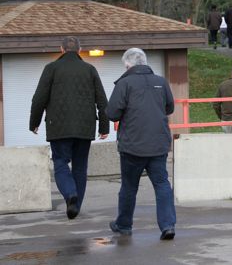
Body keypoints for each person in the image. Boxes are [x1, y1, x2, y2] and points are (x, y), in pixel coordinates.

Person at [29, 36, 109, 220]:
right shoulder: (90, 69)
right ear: (80, 50)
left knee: (60, 162)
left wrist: (34, 122)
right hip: (84, 127)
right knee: (80, 167)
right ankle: (75, 206)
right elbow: (102, 100)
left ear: (61, 49)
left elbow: (39, 98)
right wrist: (104, 127)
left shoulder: (51, 68)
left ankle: (70, 195)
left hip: (58, 127)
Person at [106, 48, 176, 240]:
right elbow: (169, 107)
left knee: (129, 187)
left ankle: (124, 225)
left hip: (132, 145)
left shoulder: (124, 83)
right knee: (162, 184)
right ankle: (168, 225)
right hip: (158, 143)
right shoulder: (161, 81)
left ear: (127, 65)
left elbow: (112, 113)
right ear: (145, 62)